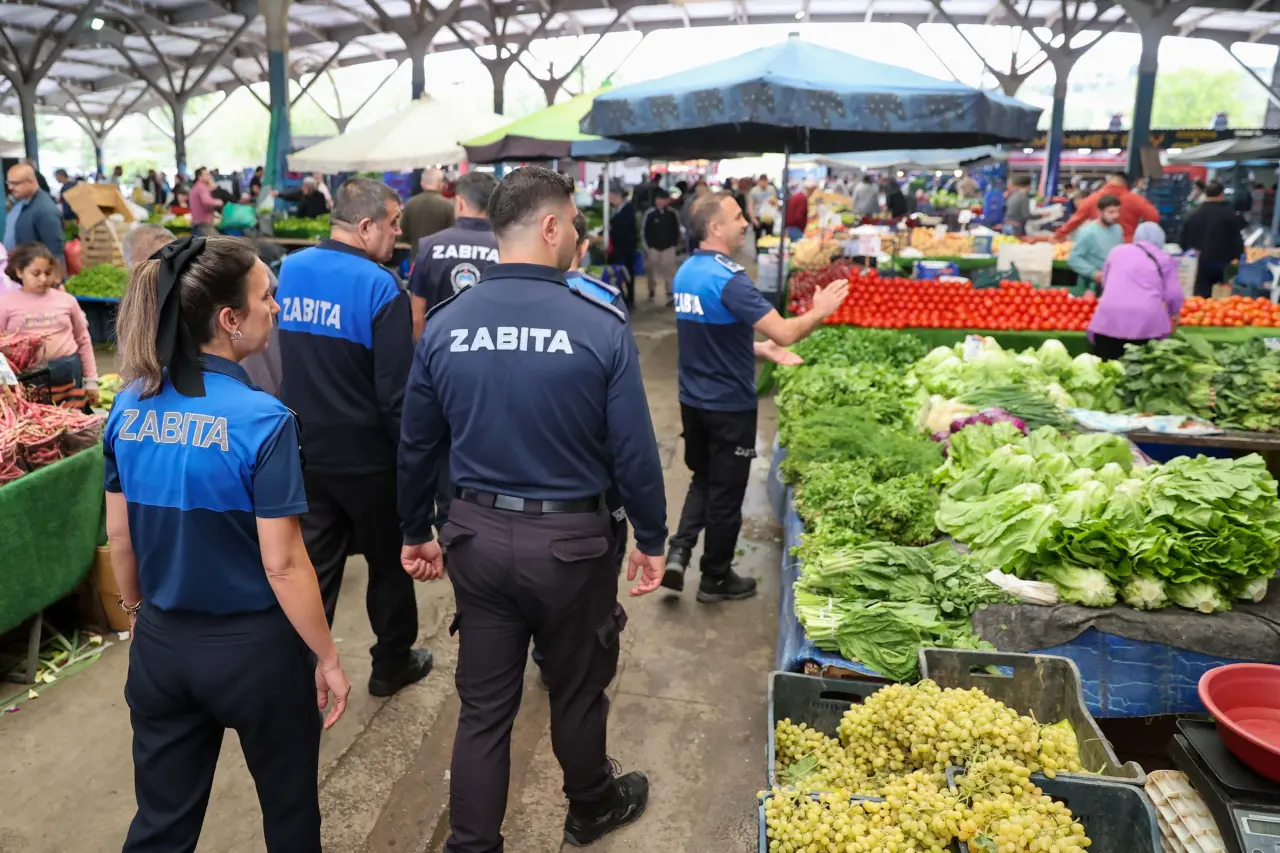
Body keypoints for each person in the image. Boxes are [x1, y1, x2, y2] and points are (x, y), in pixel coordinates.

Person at [398, 166, 665, 852]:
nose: (578, 233)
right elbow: (634, 449)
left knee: (484, 708)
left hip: (476, 539)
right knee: (576, 687)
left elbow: (417, 442)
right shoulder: (599, 325)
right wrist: (653, 535)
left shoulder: (447, 326)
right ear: (550, 228)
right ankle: (590, 806)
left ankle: (472, 843)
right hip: (572, 546)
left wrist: (414, 530)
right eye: (574, 222)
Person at [105, 235, 351, 852]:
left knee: (161, 823)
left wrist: (140, 616)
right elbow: (285, 562)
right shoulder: (264, 420)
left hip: (162, 645)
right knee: (290, 813)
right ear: (228, 319)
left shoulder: (128, 406)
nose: (277, 306)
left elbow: (120, 537)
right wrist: (326, 656)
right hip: (256, 653)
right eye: (267, 296)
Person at [276, 178, 432, 697]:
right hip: (369, 460)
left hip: (304, 451)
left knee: (315, 566)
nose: (397, 237)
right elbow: (396, 395)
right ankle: (391, 664)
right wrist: (416, 463)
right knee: (389, 565)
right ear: (365, 226)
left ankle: (301, 675)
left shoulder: (289, 271)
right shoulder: (380, 287)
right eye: (393, 226)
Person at [664, 191, 848, 599]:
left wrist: (756, 349)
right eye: (736, 216)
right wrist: (819, 311)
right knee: (728, 494)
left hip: (693, 401)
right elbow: (784, 331)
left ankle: (679, 551)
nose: (746, 222)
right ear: (715, 227)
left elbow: (708, 336)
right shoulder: (729, 278)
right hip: (729, 406)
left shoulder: (687, 273)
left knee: (703, 478)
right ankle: (714, 579)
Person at [0, 242, 97, 405]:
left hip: (68, 373)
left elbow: (83, 339)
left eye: (48, 273)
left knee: (71, 422)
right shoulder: (5, 304)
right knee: (34, 422)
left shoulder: (67, 300)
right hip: (27, 378)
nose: (43, 279)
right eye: (36, 273)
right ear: (19, 272)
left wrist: (91, 380)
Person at [408, 171, 500, 340]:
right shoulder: (507, 246)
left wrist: (425, 354)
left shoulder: (429, 246)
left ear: (460, 203)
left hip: (440, 348)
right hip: (490, 352)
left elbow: (417, 314)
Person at [1088, 221, 1184, 360]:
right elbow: (1173, 294)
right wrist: (1174, 314)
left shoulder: (1117, 251)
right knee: (1139, 372)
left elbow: (1105, 282)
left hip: (1109, 318)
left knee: (1106, 368)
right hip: (1145, 323)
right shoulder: (1165, 259)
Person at [1179, 180, 1245, 298]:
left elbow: (1182, 240)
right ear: (1221, 194)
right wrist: (1236, 259)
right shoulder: (1229, 215)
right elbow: (1237, 241)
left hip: (1198, 265)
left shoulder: (1193, 215)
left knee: (1200, 299)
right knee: (1220, 301)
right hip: (1223, 266)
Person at [1054, 174, 1160, 243]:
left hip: (1098, 246)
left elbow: (1075, 221)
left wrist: (1058, 234)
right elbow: (1154, 217)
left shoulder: (1092, 199)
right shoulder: (1136, 199)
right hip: (1127, 247)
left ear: (1107, 183)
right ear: (1124, 184)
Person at [5, 163, 65, 264]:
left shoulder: (45, 210)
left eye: (16, 183)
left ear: (32, 182)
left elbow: (55, 251)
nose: (10, 187)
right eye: (9, 183)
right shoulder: (23, 202)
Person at [1067, 194, 1125, 290]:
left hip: (1114, 281)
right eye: (1111, 212)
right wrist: (1093, 273)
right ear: (1099, 212)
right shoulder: (1088, 232)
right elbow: (1074, 258)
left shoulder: (1118, 229)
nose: (1116, 215)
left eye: (1118, 211)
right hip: (1092, 285)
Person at [401, 167, 455, 252]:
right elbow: (453, 235)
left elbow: (403, 234)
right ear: (440, 183)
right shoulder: (448, 205)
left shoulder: (410, 204)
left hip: (416, 256)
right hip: (440, 256)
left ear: (422, 183)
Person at [642, 188, 681, 304]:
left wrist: (675, 245)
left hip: (668, 247)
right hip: (652, 248)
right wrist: (647, 247)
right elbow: (643, 231)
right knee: (650, 271)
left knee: (669, 271)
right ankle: (651, 290)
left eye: (664, 199)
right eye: (659, 199)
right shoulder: (649, 214)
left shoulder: (673, 214)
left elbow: (677, 230)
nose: (661, 202)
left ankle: (669, 293)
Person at [607, 183, 638, 306]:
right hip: (619, 246)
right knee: (620, 271)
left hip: (626, 247)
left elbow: (625, 228)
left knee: (627, 271)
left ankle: (629, 297)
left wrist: (612, 228)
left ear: (619, 197)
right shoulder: (617, 210)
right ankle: (623, 295)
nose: (611, 200)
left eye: (612, 197)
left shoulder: (627, 209)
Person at [189, 167, 223, 236]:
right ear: (200, 177)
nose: (209, 176)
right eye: (206, 174)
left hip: (198, 224)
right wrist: (219, 201)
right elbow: (206, 201)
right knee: (216, 243)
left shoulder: (196, 187)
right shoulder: (201, 187)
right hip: (204, 224)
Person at [747, 175, 778, 242]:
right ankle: (758, 251)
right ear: (759, 181)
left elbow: (775, 202)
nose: (764, 183)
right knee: (758, 238)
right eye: (762, 181)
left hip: (769, 216)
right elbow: (750, 205)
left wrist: (773, 202)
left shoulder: (771, 189)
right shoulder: (754, 191)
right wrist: (753, 218)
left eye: (765, 181)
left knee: (770, 237)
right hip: (758, 216)